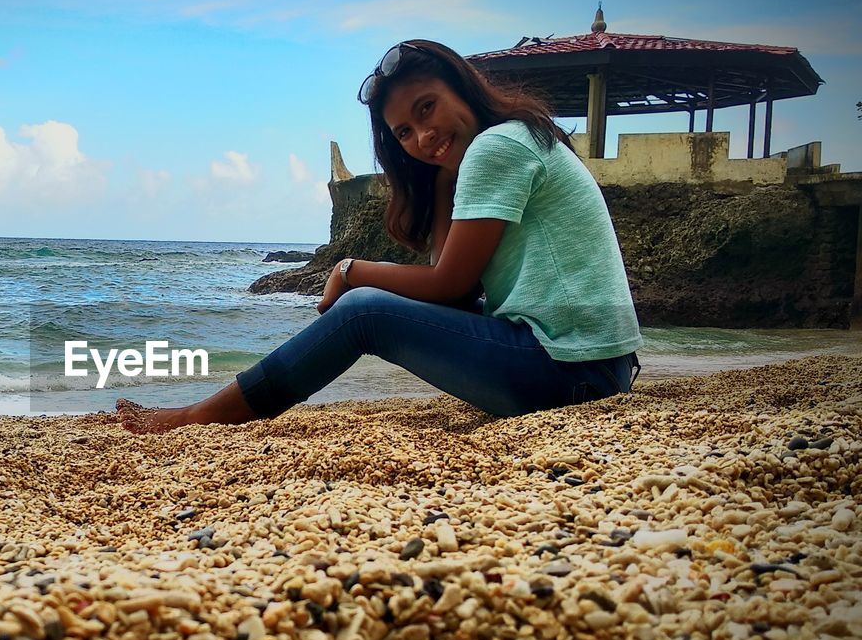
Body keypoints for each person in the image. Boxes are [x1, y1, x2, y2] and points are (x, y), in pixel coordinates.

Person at [116, 39, 642, 434]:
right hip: (593, 369)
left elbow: (446, 282)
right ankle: (210, 410)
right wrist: (439, 175)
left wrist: (349, 270)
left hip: (570, 371)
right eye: (405, 133)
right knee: (367, 304)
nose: (424, 136)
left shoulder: (498, 147)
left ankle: (200, 416)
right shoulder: (508, 143)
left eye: (427, 108)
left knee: (363, 310)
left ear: (461, 87)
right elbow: (457, 290)